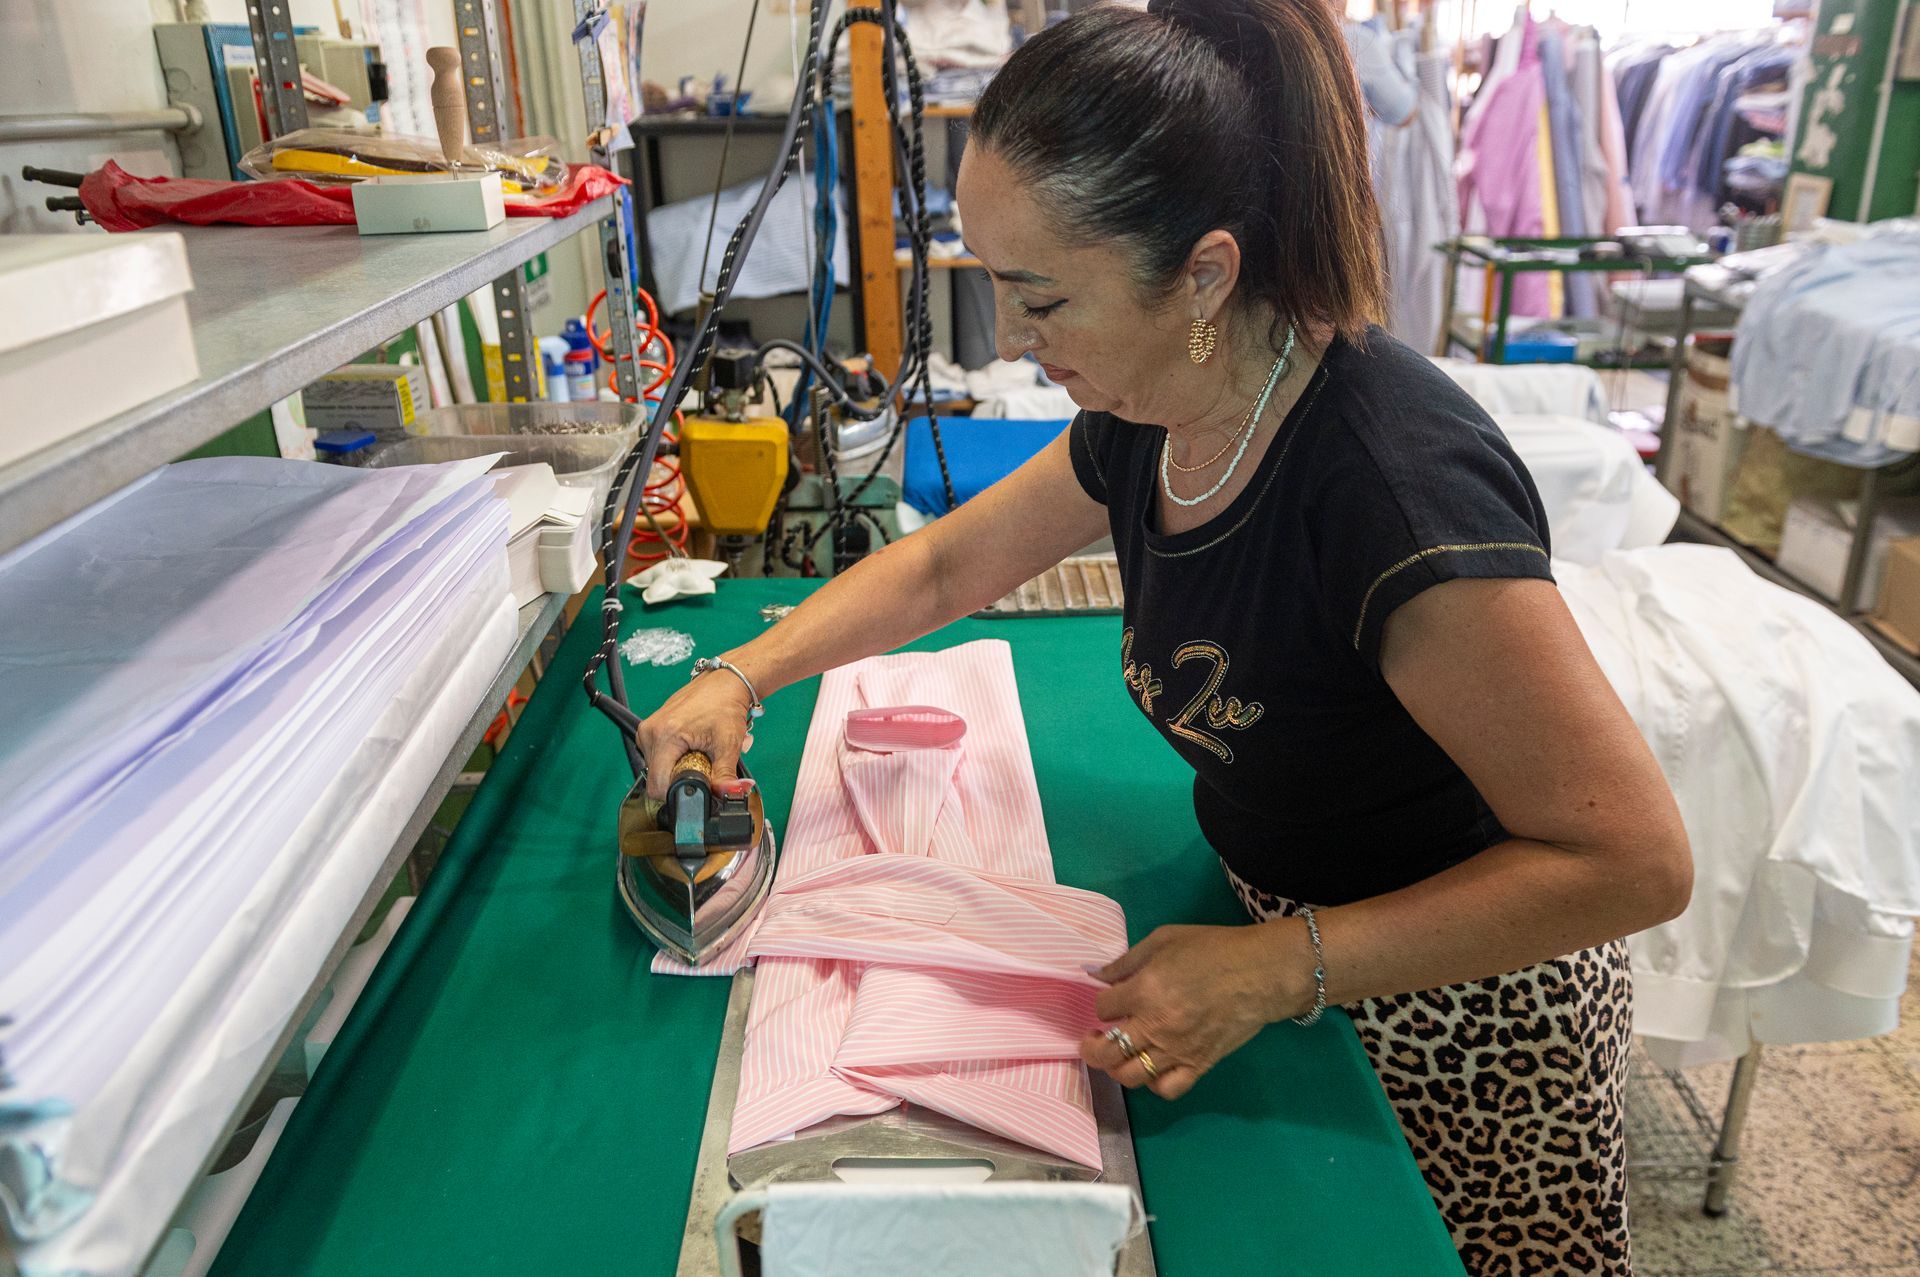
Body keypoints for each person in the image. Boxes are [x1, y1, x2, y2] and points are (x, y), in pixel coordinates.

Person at [638, 1, 1691, 1272]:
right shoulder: (1158, 407)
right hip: (1276, 939)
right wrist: (740, 675)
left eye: (1044, 300)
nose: (1020, 343)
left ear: (1204, 271)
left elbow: (1632, 859)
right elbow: (947, 561)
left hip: (1456, 1009)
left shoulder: (1390, 497)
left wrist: (1272, 969)